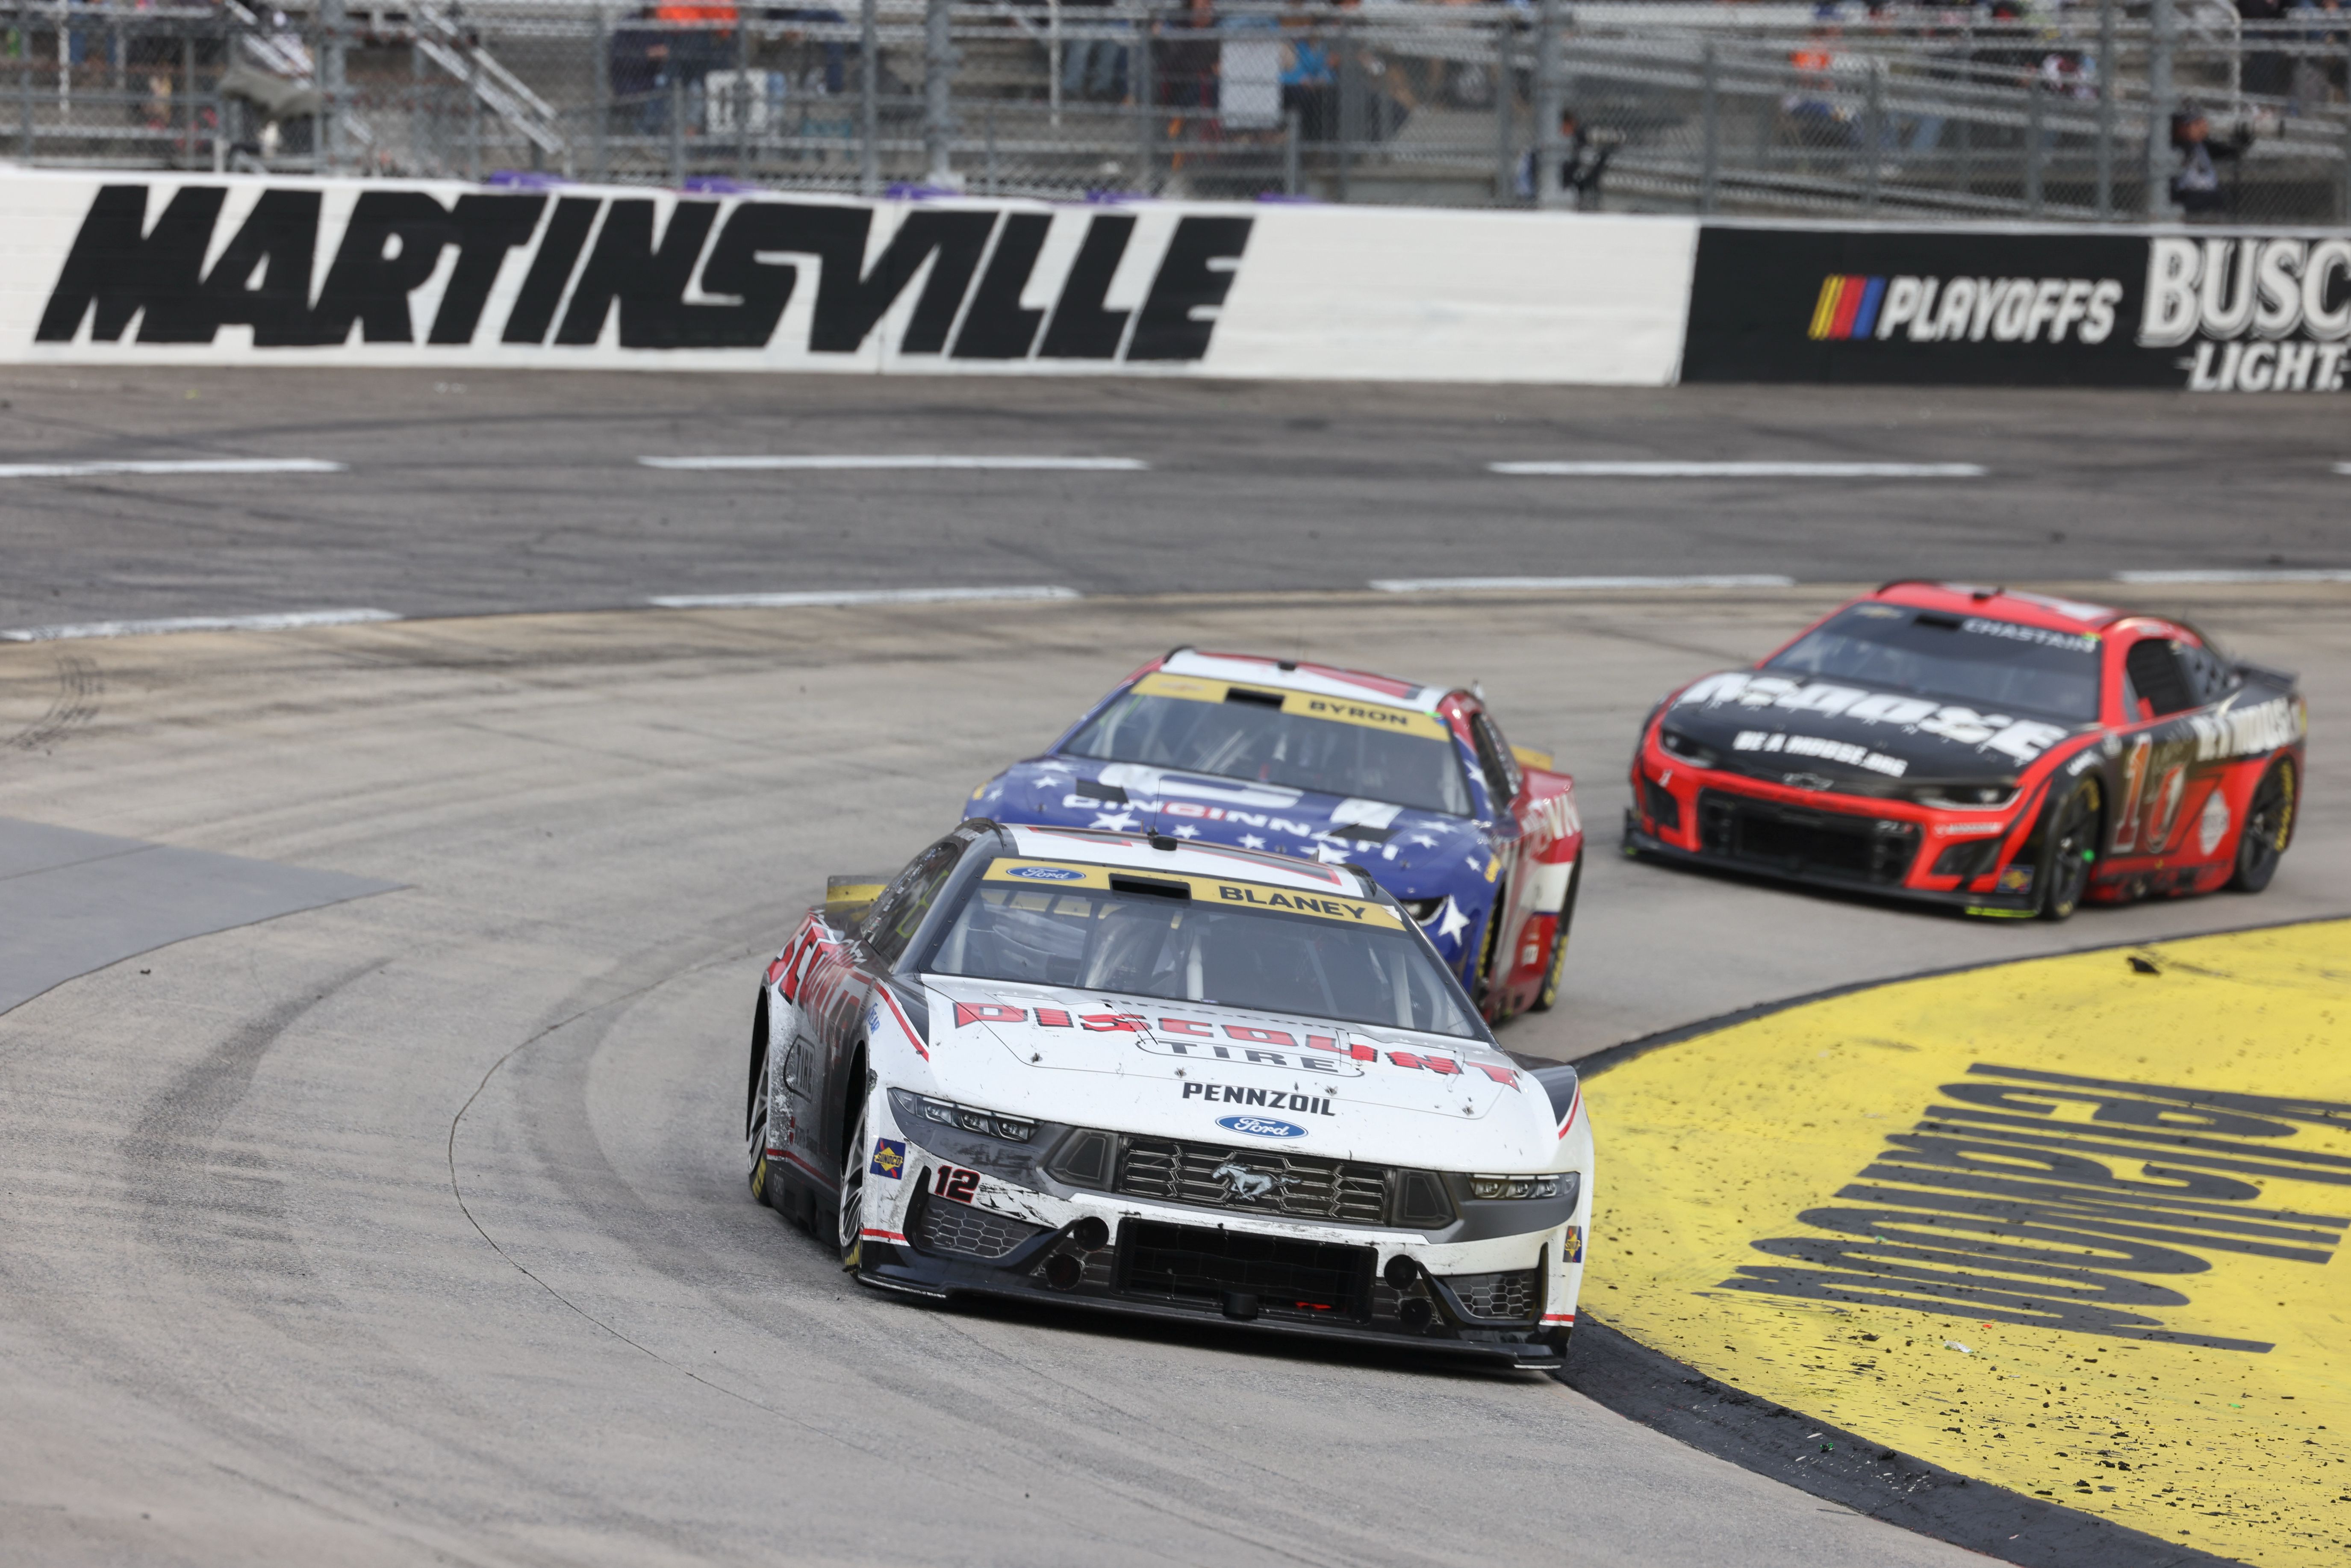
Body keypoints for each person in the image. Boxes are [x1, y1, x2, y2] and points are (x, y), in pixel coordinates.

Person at [2170, 103, 2251, 214]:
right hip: (2188, 196)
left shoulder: (2204, 145)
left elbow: (2227, 151)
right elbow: (2185, 145)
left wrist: (2242, 143)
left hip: (2211, 194)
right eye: (2195, 124)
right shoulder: (2176, 148)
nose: (2203, 127)